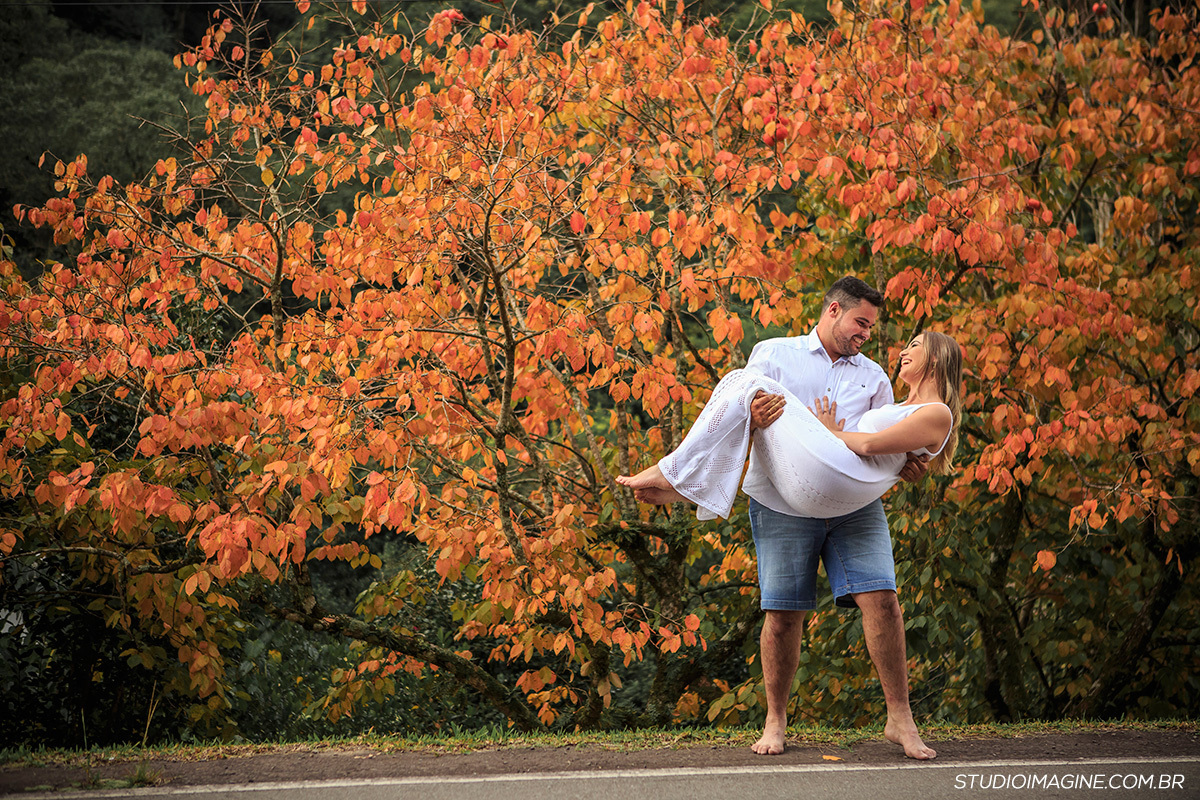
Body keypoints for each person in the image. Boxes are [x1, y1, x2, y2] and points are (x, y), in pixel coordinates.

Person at [617, 277, 963, 760]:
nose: (867, 334)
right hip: (783, 497)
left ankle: (900, 718)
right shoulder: (776, 353)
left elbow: (886, 443)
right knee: (782, 616)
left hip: (852, 504)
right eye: (861, 322)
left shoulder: (876, 379)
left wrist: (909, 464)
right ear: (833, 310)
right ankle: (775, 720)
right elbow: (743, 419)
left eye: (871, 326)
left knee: (884, 601)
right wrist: (755, 417)